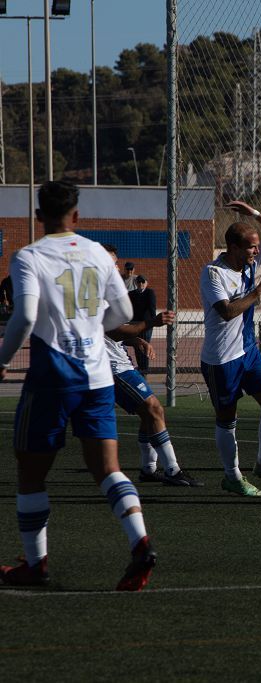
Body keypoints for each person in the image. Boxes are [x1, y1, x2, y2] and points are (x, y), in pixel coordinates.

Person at [0, 180, 157, 591]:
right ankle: (140, 542)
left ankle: (36, 565)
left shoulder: (28, 256)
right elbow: (122, 310)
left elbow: (25, 317)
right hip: (98, 376)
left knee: (31, 472)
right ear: (78, 215)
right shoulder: (95, 252)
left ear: (38, 217)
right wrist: (89, 327)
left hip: (53, 378)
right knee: (108, 469)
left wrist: (0, 359)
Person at [200, 199, 261, 497]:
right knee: (227, 420)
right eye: (251, 247)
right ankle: (232, 475)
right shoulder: (213, 273)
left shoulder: (250, 263)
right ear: (234, 248)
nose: (256, 251)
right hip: (221, 358)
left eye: (255, 247)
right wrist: (258, 291)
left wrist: (255, 214)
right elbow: (226, 311)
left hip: (248, 352)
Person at [102, 244, 201, 487]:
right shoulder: (96, 294)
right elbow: (112, 330)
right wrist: (152, 322)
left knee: (149, 413)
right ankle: (173, 470)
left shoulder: (107, 292)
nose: (115, 267)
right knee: (154, 409)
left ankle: (148, 469)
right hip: (111, 368)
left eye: (115, 262)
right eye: (110, 263)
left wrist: (135, 340)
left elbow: (105, 332)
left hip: (119, 362)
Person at [128, 274, 157, 374]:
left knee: (145, 344)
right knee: (137, 345)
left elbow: (152, 308)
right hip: (134, 323)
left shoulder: (149, 293)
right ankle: (140, 366)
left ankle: (145, 367)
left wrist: (153, 322)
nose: (141, 284)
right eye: (139, 282)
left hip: (146, 324)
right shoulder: (131, 294)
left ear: (146, 283)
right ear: (136, 283)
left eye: (143, 282)